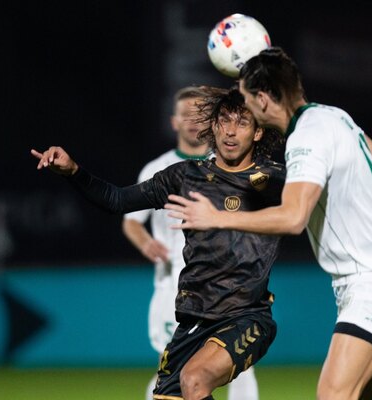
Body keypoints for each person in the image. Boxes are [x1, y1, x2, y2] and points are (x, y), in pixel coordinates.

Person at [164, 48, 372, 400]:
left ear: (264, 100)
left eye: (247, 98)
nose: (243, 106)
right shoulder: (333, 117)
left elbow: (294, 218)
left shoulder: (305, 141)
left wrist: (217, 217)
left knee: (333, 394)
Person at [31, 87, 287, 400]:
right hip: (194, 320)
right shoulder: (186, 176)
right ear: (214, 126)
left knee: (194, 381)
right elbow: (117, 200)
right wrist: (74, 172)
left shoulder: (274, 180)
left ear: (258, 132)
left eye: (242, 123)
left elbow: (308, 211)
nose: (230, 131)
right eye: (223, 121)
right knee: (167, 395)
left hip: (246, 316)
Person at [121, 86, 260, 400]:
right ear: (174, 122)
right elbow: (131, 220)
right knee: (173, 367)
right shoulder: (157, 169)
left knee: (240, 364)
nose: (193, 121)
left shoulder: (230, 165)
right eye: (186, 115)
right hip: (175, 286)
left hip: (227, 284)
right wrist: (145, 243)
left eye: (200, 114)